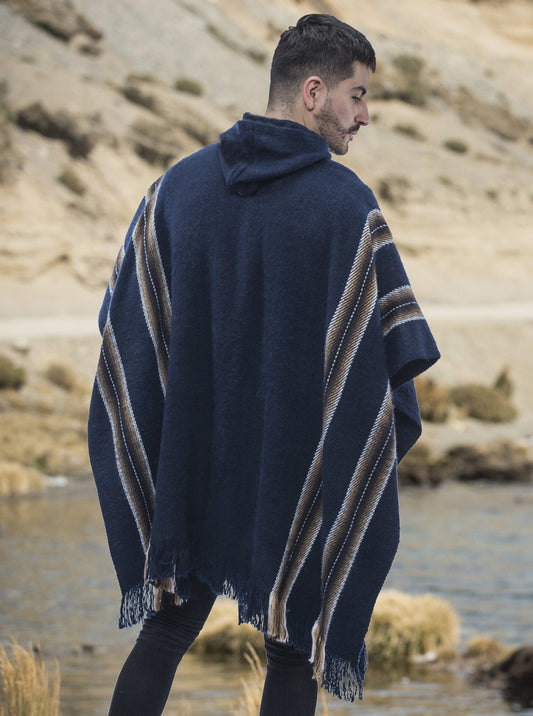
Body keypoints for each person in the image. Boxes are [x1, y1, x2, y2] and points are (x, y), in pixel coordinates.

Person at [88, 13, 440, 715]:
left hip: (193, 461)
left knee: (166, 630)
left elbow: (128, 333)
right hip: (293, 467)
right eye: (357, 95)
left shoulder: (177, 188)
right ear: (313, 92)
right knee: (293, 648)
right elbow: (379, 361)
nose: (364, 116)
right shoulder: (347, 206)